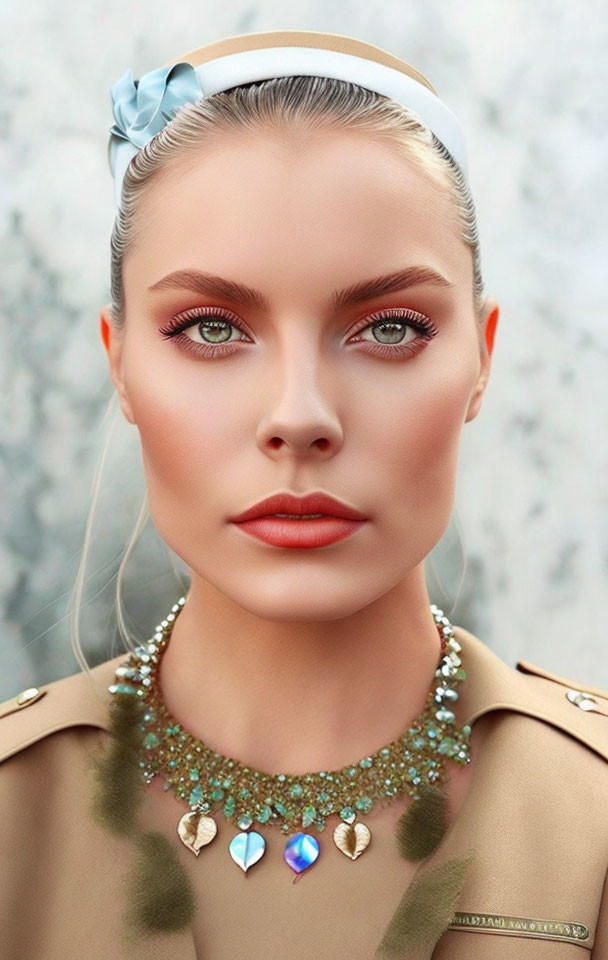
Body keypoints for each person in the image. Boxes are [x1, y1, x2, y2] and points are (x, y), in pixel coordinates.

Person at [1, 29, 607, 960]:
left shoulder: (589, 820)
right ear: (118, 363)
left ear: (481, 358)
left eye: (390, 328)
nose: (299, 416)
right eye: (210, 328)